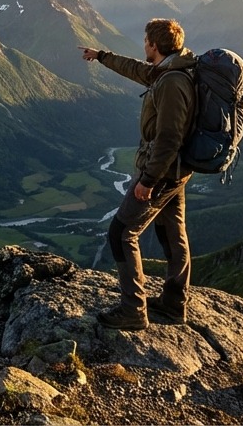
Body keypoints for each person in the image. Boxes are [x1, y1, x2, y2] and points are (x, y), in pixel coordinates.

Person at [78, 18, 196, 330]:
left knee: (121, 233)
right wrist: (101, 56)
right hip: (177, 170)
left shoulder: (172, 83)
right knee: (172, 234)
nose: (143, 46)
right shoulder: (170, 70)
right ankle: (173, 304)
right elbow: (137, 70)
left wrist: (148, 180)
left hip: (162, 171)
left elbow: (169, 137)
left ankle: (133, 310)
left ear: (154, 46)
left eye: (146, 42)